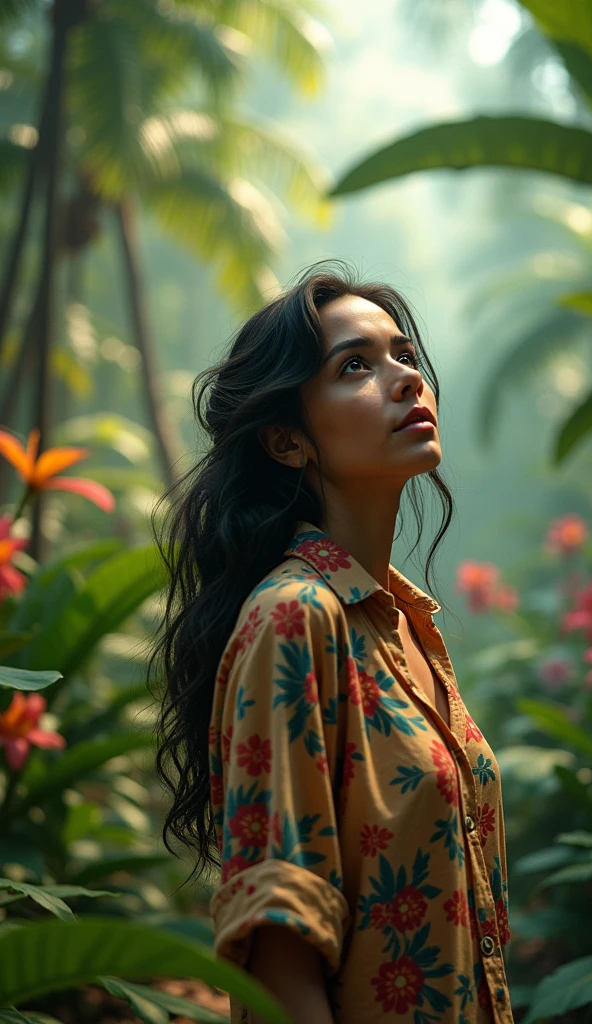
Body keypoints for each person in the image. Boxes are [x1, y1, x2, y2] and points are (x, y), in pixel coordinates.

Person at [150, 260, 514, 1023]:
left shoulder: (404, 625)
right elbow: (280, 958)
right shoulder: (293, 620)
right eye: (356, 366)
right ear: (287, 442)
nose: (406, 379)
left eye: (404, 356)